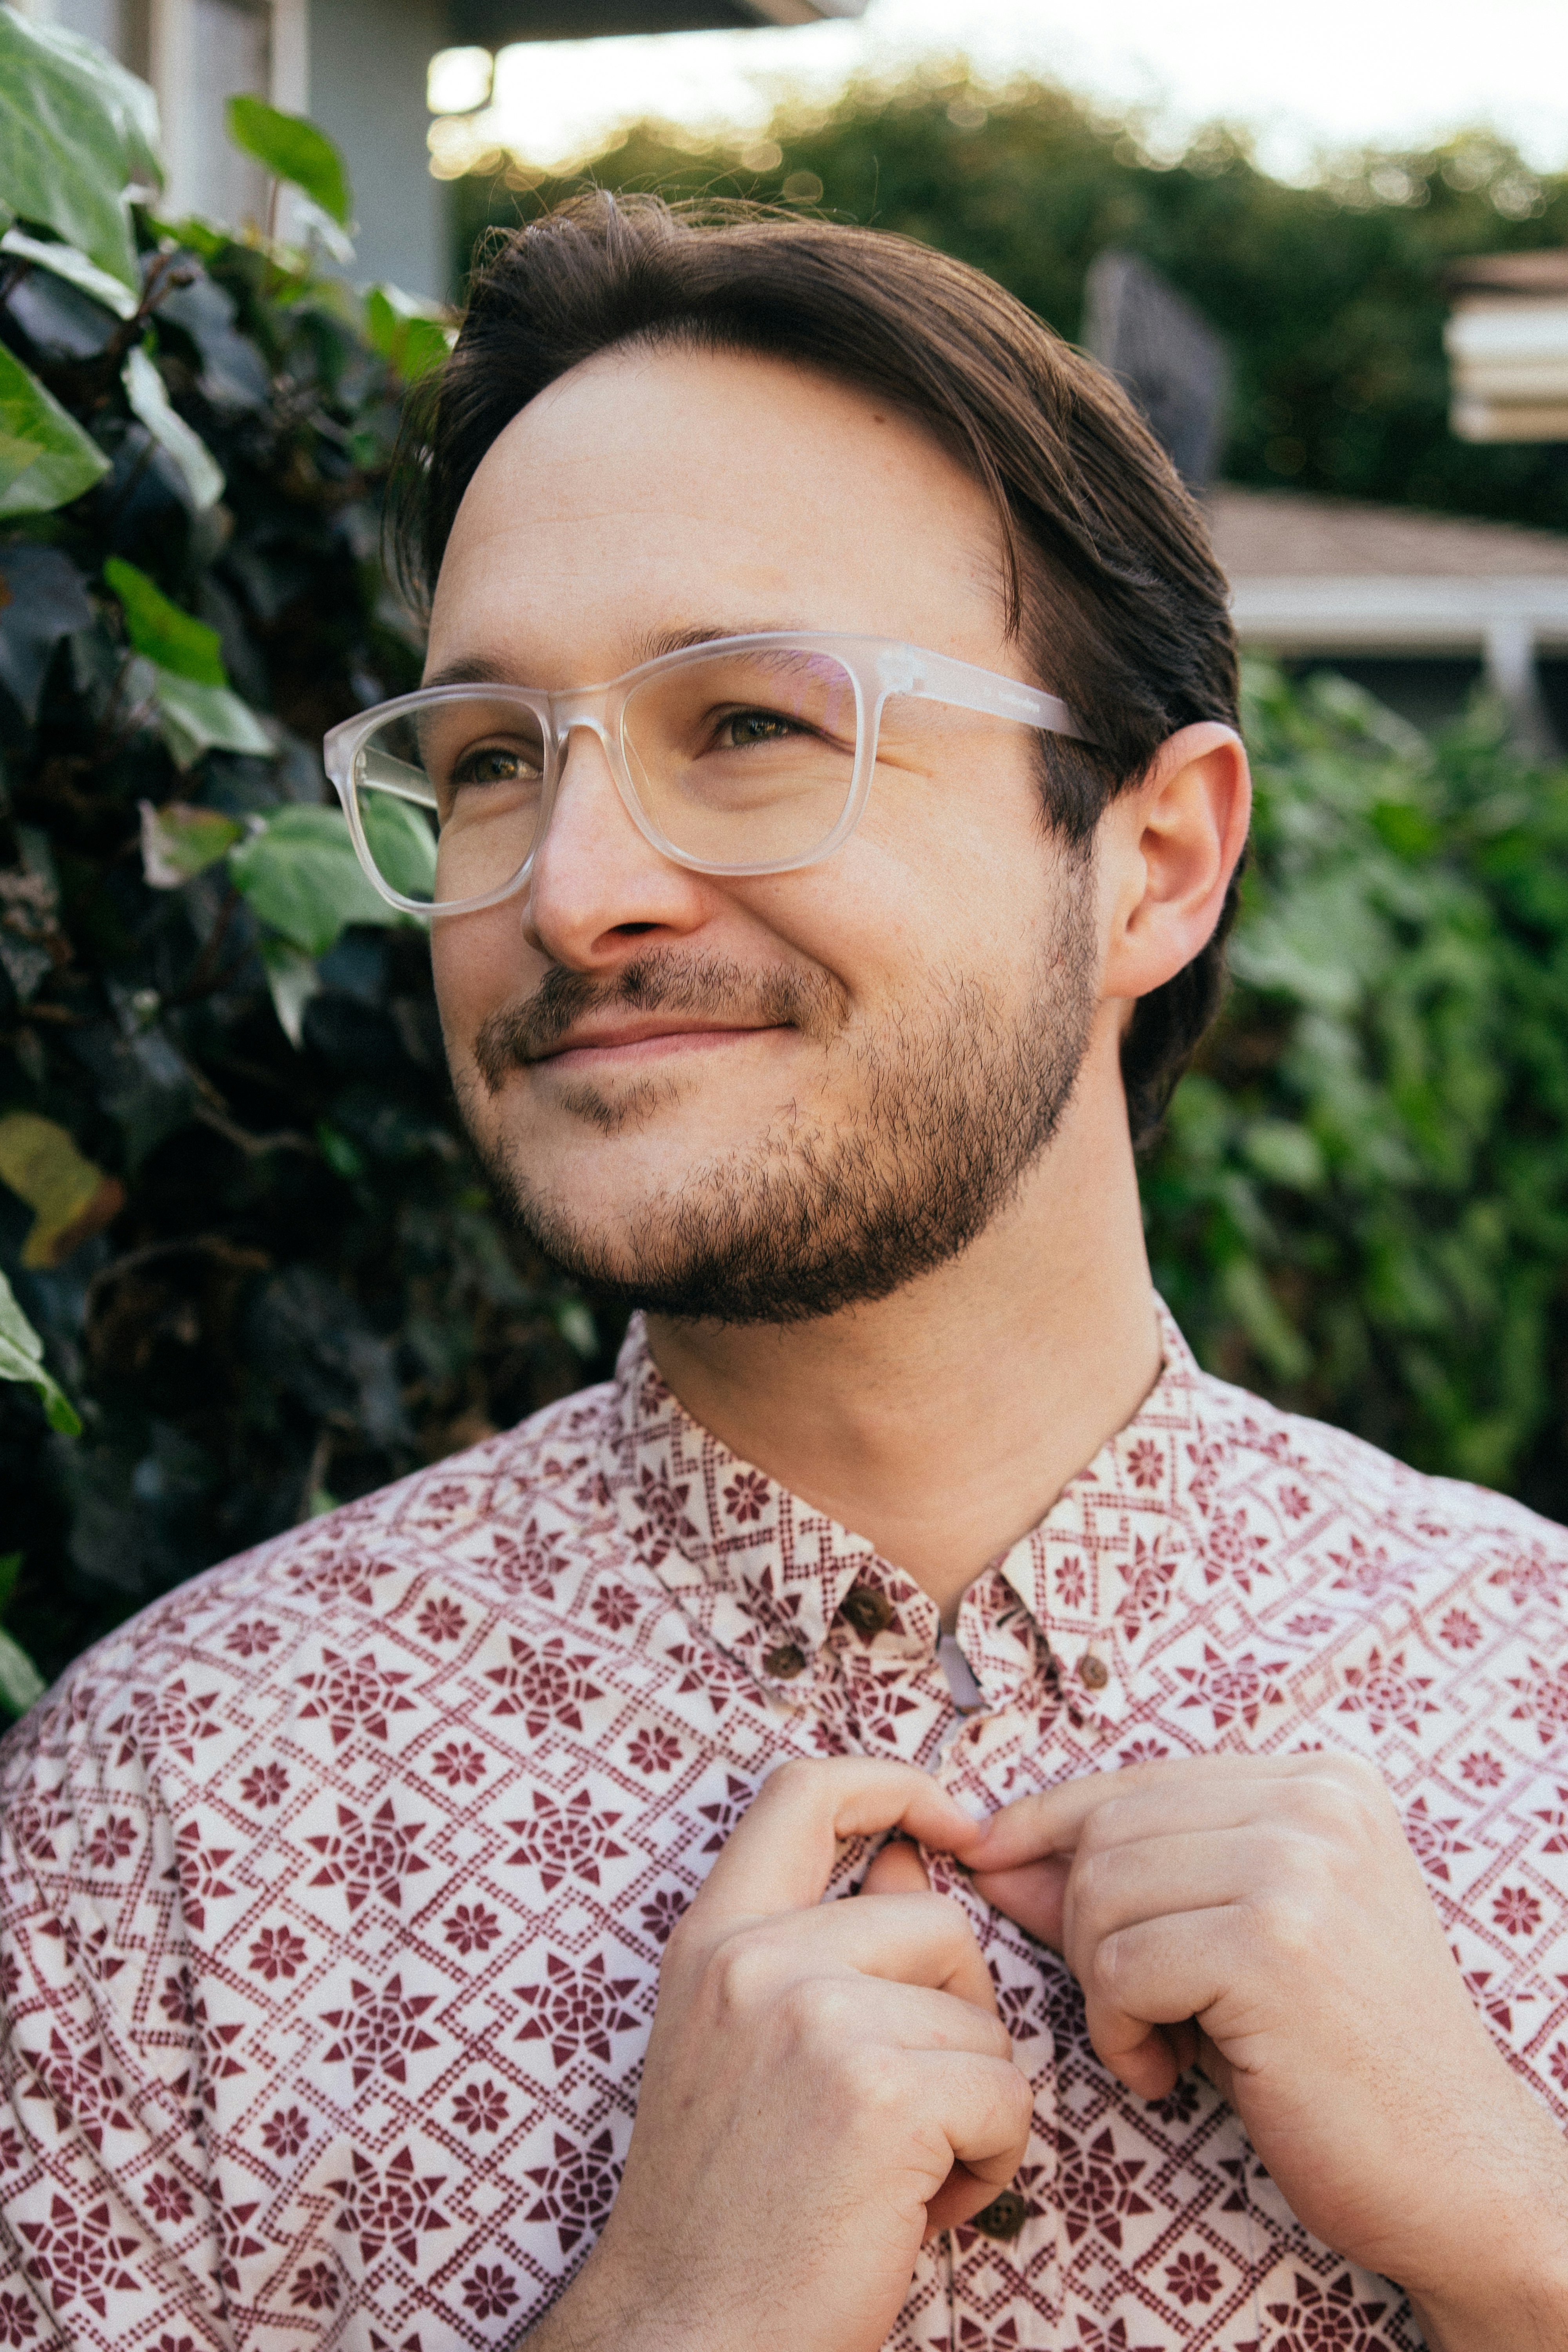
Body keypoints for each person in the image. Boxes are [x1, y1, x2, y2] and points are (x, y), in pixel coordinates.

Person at [1, 194, 1565, 2352]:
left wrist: (1526, 2237)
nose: (571, 891)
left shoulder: (1540, 1720)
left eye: (748, 724)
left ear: (1158, 859)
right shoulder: (157, 1829)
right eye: (487, 762)